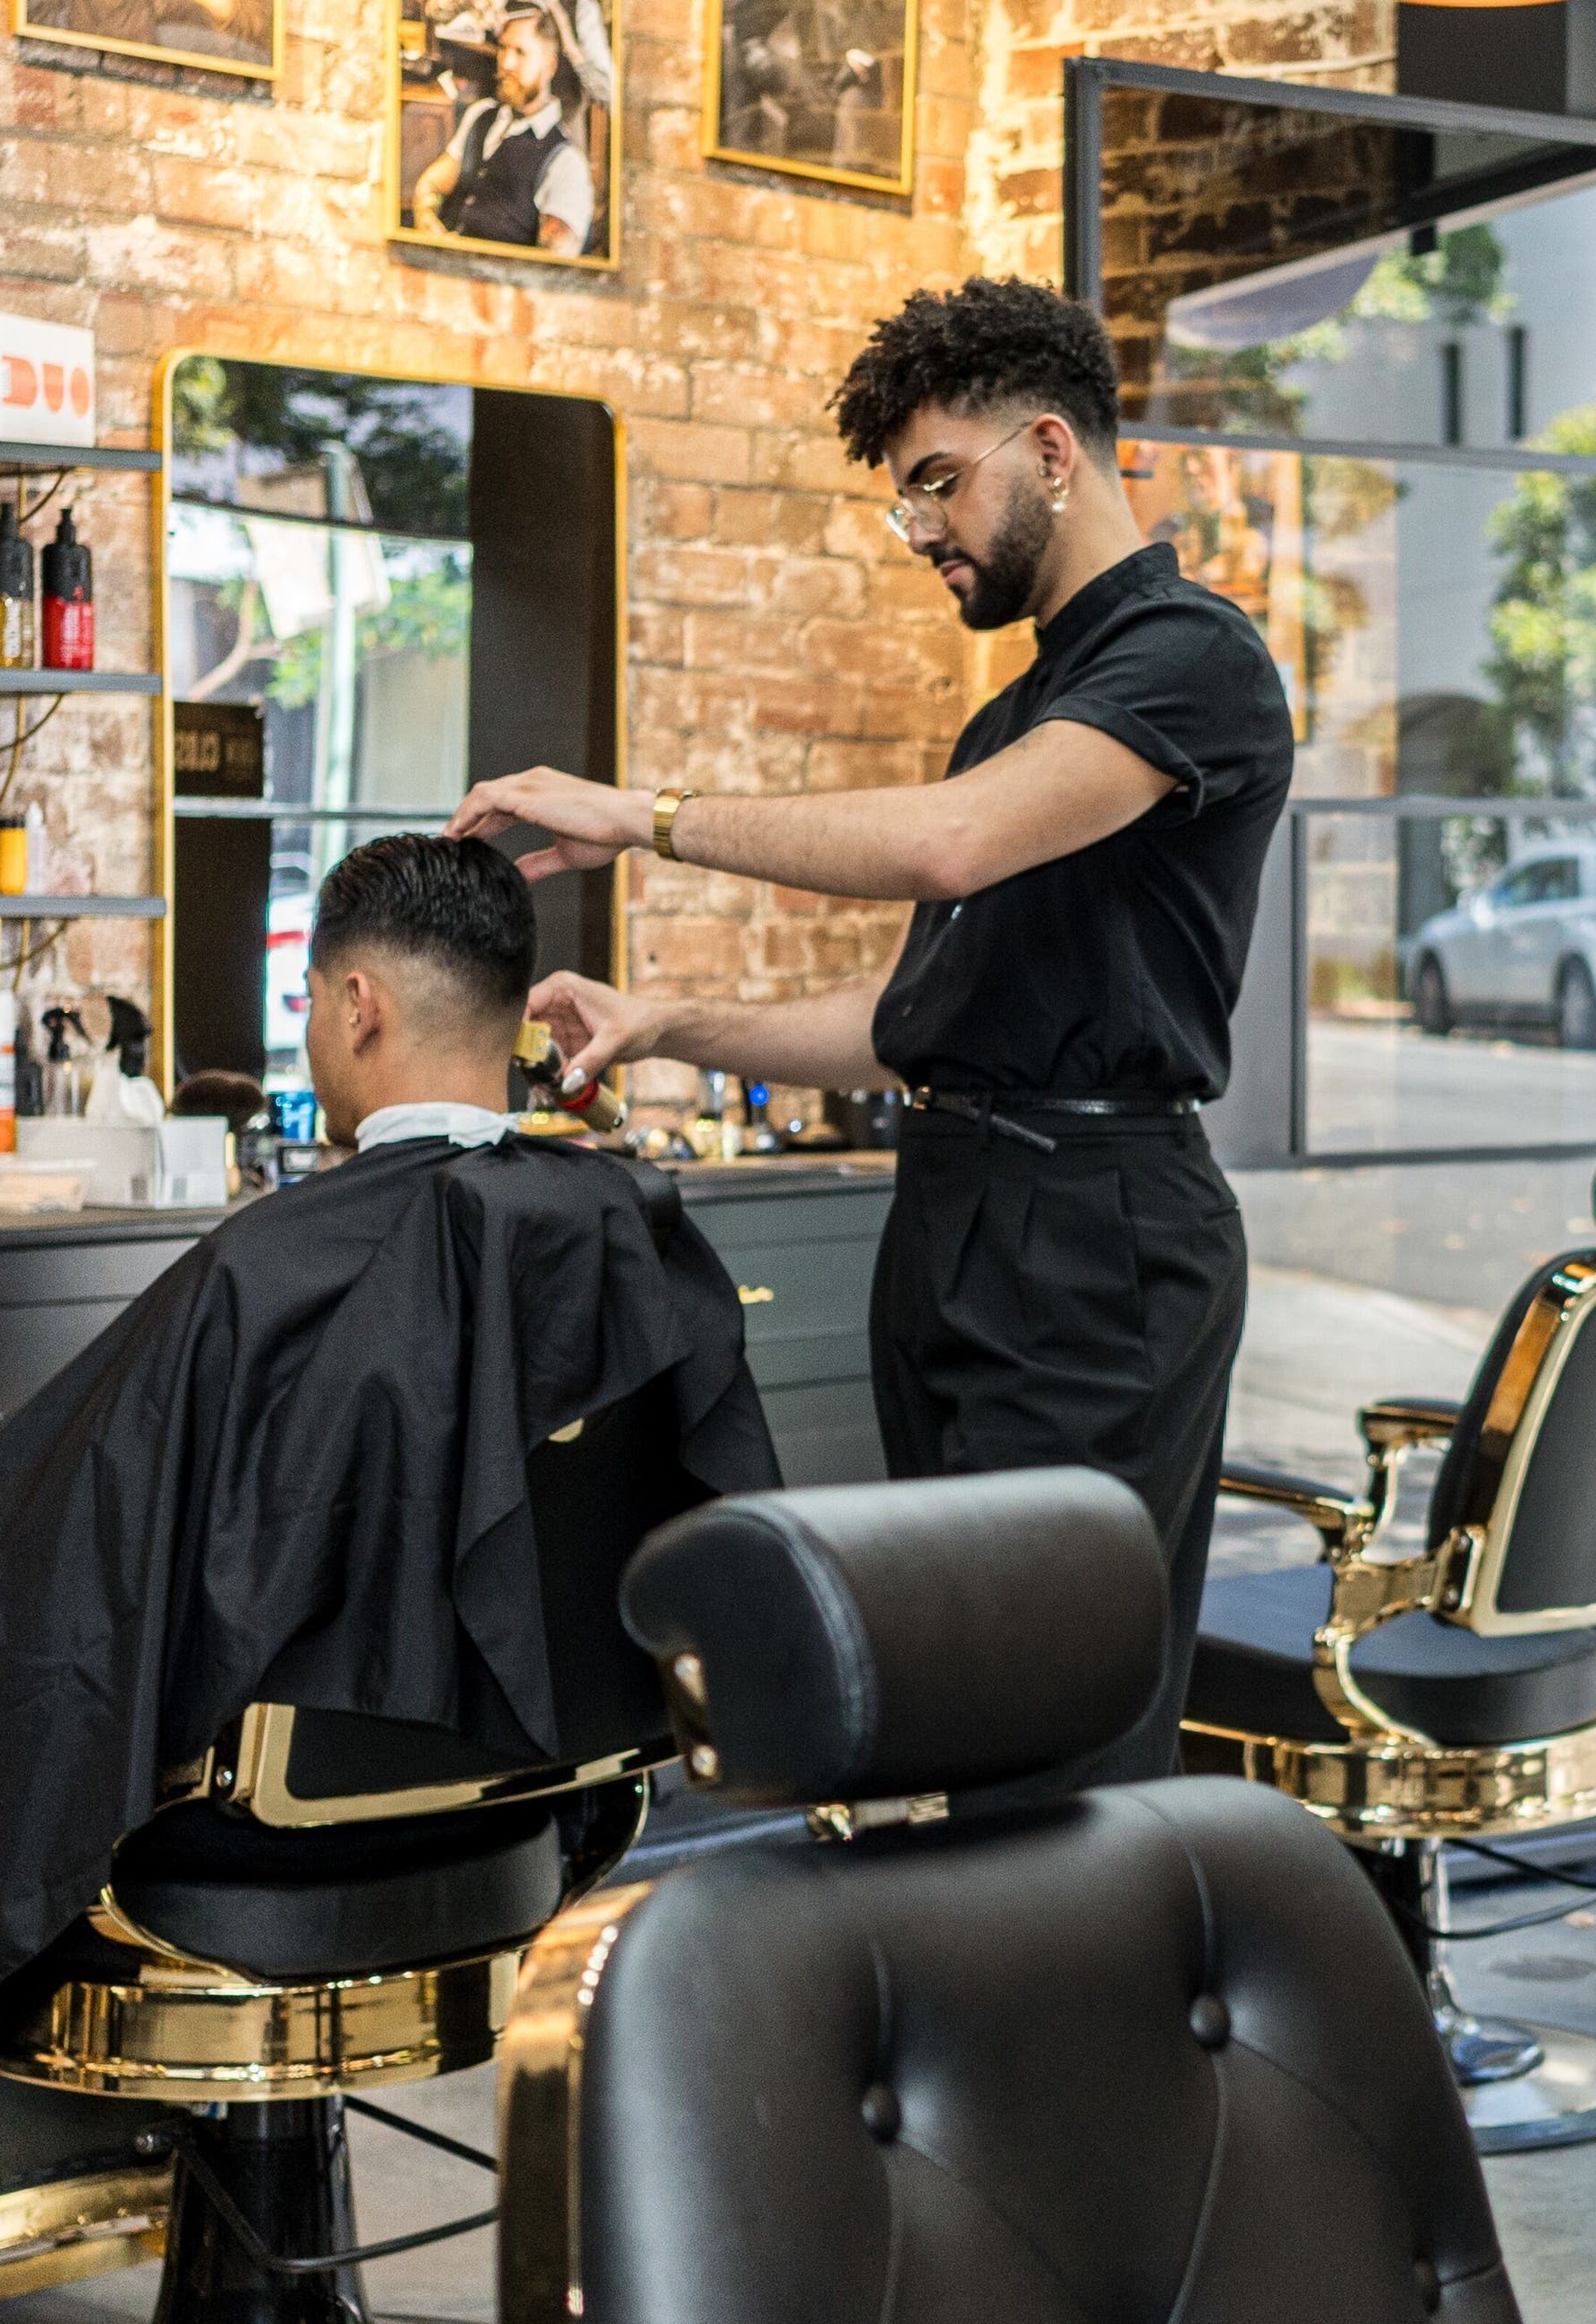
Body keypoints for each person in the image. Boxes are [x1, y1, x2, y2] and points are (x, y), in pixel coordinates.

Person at [444, 278, 1294, 1789]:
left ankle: (1089, 2020)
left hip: (1100, 1242)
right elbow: (920, 1029)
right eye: (905, 498)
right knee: (953, 1712)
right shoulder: (1021, 714)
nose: (920, 532)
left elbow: (954, 845)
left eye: (937, 483)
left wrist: (644, 818)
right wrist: (667, 1025)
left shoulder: (1191, 664)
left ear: (1051, 448)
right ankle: (980, 2013)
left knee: (1060, 1731)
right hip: (961, 1210)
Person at [0, 835, 776, 2022]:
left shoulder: (264, 1266)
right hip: (535, 1805)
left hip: (259, 1846)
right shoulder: (630, 1226)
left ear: (356, 1004)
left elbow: (73, 1578)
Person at [413, 0, 600, 258]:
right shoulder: (480, 115)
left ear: (549, 66)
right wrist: (427, 221)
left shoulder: (566, 162)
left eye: (520, 53)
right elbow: (431, 184)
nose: (506, 63)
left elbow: (553, 267)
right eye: (503, 48)